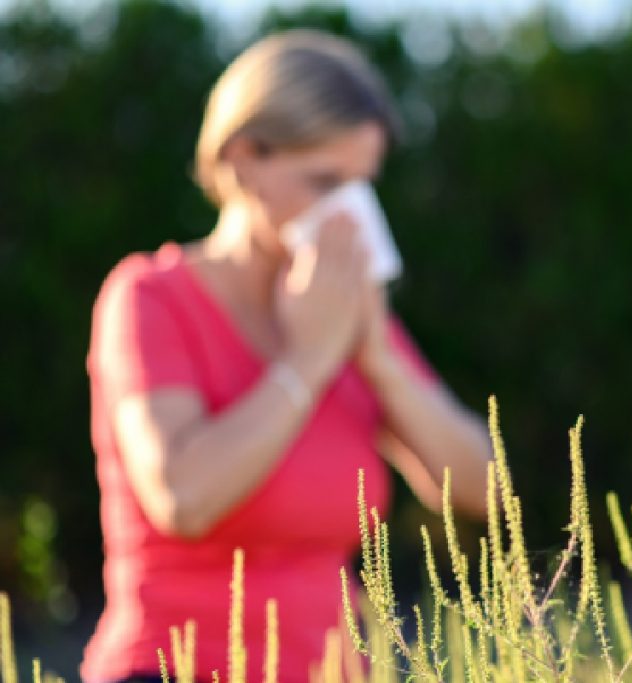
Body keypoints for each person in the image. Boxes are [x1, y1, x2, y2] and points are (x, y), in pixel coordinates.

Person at [80, 29, 492, 683]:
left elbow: (481, 484)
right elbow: (184, 496)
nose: (349, 213)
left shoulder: (341, 307)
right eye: (325, 181)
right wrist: (308, 361)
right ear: (243, 161)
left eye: (363, 186)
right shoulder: (151, 298)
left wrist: (376, 354)